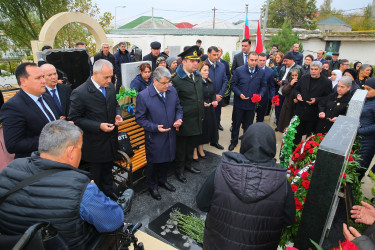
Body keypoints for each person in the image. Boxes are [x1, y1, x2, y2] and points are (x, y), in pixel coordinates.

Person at [0, 120, 125, 249]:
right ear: (70, 152)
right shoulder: (79, 187)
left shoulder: (12, 168)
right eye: (80, 148)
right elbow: (114, 221)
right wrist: (94, 194)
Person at [196, 122, 295, 250]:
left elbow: (202, 203)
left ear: (246, 142)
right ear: (271, 146)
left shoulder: (221, 171)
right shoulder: (282, 182)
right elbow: (288, 220)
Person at [69, 59, 122, 199]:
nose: (110, 80)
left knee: (108, 171)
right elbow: (75, 119)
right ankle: (97, 203)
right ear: (95, 73)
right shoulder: (80, 93)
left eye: (111, 76)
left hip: (110, 140)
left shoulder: (109, 87)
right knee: (96, 177)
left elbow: (115, 104)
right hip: (94, 145)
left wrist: (118, 115)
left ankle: (109, 193)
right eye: (106, 77)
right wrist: (98, 126)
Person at [135, 67, 183, 200]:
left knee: (167, 160)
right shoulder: (144, 96)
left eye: (169, 82)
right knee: (154, 163)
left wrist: (179, 118)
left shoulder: (172, 91)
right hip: (154, 137)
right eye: (164, 83)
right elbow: (140, 119)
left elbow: (178, 107)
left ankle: (163, 180)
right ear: (154, 81)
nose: (167, 86)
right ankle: (152, 186)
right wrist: (155, 127)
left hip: (170, 134)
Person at [0, 62, 59, 159]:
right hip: (36, 164)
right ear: (23, 81)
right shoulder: (12, 106)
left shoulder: (46, 97)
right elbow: (13, 144)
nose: (43, 81)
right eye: (38, 78)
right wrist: (51, 140)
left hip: (57, 158)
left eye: (43, 77)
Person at [171, 45, 204, 183]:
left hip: (196, 118)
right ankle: (179, 171)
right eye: (192, 61)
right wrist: (176, 120)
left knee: (191, 145)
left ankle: (188, 165)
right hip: (183, 120)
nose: (196, 63)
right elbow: (172, 103)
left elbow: (199, 97)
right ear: (184, 62)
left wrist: (201, 113)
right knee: (181, 148)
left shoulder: (197, 76)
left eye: (196, 61)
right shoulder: (176, 79)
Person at [229, 52, 267, 151]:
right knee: (236, 124)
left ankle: (245, 144)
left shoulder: (261, 72)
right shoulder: (239, 70)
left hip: (251, 105)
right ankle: (233, 142)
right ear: (247, 60)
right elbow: (233, 85)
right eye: (252, 60)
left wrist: (260, 95)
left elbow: (263, 86)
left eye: (256, 60)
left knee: (248, 125)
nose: (254, 62)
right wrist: (239, 94)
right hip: (239, 103)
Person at [293, 61, 333, 145]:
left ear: (320, 70)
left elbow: (329, 97)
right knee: (297, 133)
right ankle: (295, 150)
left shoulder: (326, 82)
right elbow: (296, 89)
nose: (313, 71)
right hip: (300, 111)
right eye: (311, 69)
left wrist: (317, 100)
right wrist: (298, 95)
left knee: (310, 136)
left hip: (314, 113)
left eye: (316, 69)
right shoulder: (304, 78)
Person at [193, 62, 219, 161]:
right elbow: (195, 96)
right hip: (199, 110)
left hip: (209, 110)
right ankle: (194, 150)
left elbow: (212, 93)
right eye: (204, 70)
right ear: (199, 71)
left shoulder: (209, 81)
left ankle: (201, 148)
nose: (207, 72)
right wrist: (202, 103)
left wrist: (214, 100)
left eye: (208, 70)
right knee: (198, 131)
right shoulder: (196, 82)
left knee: (205, 130)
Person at [275, 51, 302, 128]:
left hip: (291, 95)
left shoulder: (299, 69)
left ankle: (287, 128)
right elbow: (279, 76)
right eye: (284, 61)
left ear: (292, 60)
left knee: (288, 114)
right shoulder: (283, 68)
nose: (285, 62)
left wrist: (284, 82)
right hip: (281, 91)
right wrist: (278, 81)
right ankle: (278, 125)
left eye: (286, 61)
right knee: (279, 111)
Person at [205, 46, 227, 140]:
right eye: (214, 55)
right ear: (208, 54)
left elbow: (225, 80)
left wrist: (220, 95)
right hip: (207, 99)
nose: (216, 57)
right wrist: (214, 97)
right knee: (206, 121)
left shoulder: (221, 65)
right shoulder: (203, 66)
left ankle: (215, 140)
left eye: (218, 55)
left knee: (216, 119)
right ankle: (206, 139)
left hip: (219, 98)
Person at [355, 78, 375, 180]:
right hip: (357, 138)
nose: (366, 91)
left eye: (369, 89)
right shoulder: (366, 99)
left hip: (368, 141)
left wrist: (360, 131)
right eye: (365, 88)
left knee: (359, 167)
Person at [255, 52, 276, 122]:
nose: (262, 62)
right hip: (251, 97)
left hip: (263, 98)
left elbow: (272, 86)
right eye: (260, 60)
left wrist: (273, 98)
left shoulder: (270, 72)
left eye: (264, 60)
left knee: (260, 117)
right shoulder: (252, 69)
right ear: (257, 60)